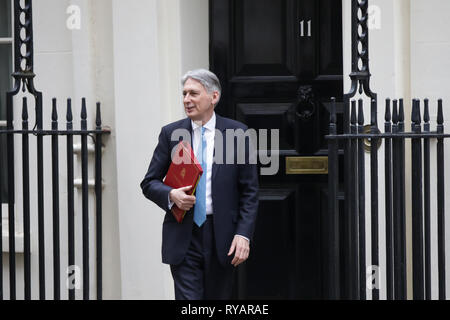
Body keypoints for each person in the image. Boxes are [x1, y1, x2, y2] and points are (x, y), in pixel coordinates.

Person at [140, 69, 259, 300]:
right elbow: (149, 182)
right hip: (184, 235)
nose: (186, 99)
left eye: (193, 93)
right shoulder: (171, 133)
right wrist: (171, 194)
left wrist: (243, 234)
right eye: (184, 94)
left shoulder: (238, 133)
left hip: (223, 236)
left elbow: (250, 192)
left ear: (213, 97)